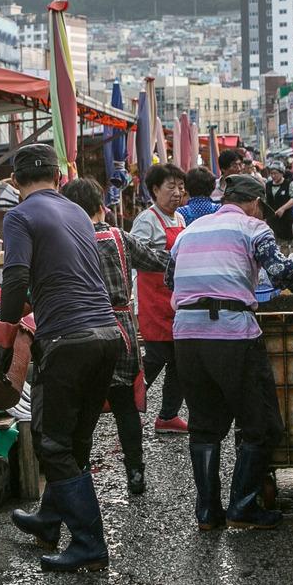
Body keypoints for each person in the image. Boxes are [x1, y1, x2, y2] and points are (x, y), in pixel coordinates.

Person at [168, 174, 293, 531]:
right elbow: (280, 270)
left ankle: (208, 513)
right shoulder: (253, 227)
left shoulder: (189, 231)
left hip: (187, 335)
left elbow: (169, 278)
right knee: (262, 425)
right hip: (232, 333)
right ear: (255, 202)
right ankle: (242, 506)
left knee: (205, 428)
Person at [0, 145, 121, 572]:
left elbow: (14, 281)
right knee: (75, 441)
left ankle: (89, 545)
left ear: (15, 183)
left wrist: (3, 340)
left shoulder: (19, 216)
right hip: (108, 335)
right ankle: (50, 519)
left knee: (51, 442)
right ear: (58, 175)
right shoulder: (78, 213)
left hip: (68, 341)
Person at [60, 177, 170, 496]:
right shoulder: (119, 238)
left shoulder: (66, 241)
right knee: (124, 404)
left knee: (85, 406)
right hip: (121, 326)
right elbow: (157, 262)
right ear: (100, 207)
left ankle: (79, 474)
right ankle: (135, 472)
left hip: (81, 326)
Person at [130, 164, 188, 434]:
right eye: (171, 187)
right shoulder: (146, 219)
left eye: (180, 186)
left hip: (175, 299)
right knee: (154, 358)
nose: (177, 192)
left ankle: (168, 415)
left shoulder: (180, 219)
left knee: (179, 359)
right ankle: (129, 408)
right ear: (155, 190)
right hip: (153, 300)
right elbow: (134, 256)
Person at [263, 164, 293, 250]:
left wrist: (283, 208)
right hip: (271, 219)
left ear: (282, 173)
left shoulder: (288, 184)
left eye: (276, 173)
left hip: (285, 219)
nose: (273, 176)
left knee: (285, 245)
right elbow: (265, 199)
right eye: (271, 173)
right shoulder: (268, 185)